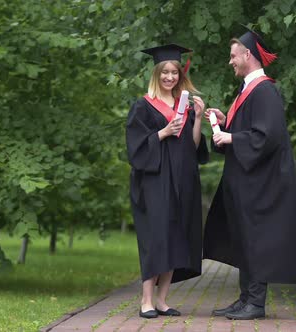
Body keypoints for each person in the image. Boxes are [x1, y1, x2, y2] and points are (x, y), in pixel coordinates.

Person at [202, 28, 296, 320]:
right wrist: (225, 124)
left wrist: (232, 138)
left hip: (262, 183)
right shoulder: (247, 91)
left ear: (248, 55)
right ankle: (245, 298)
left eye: (233, 56)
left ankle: (255, 303)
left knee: (256, 238)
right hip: (246, 180)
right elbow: (250, 131)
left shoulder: (264, 90)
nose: (230, 61)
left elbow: (268, 136)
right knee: (244, 237)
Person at [126, 44, 208, 319]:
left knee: (175, 236)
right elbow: (135, 149)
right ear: (156, 74)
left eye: (174, 72)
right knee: (156, 237)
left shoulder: (185, 107)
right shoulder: (143, 107)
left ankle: (162, 299)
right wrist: (162, 132)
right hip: (154, 182)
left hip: (182, 180)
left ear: (179, 76)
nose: (170, 77)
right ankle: (146, 300)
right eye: (165, 72)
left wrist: (197, 118)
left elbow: (193, 147)